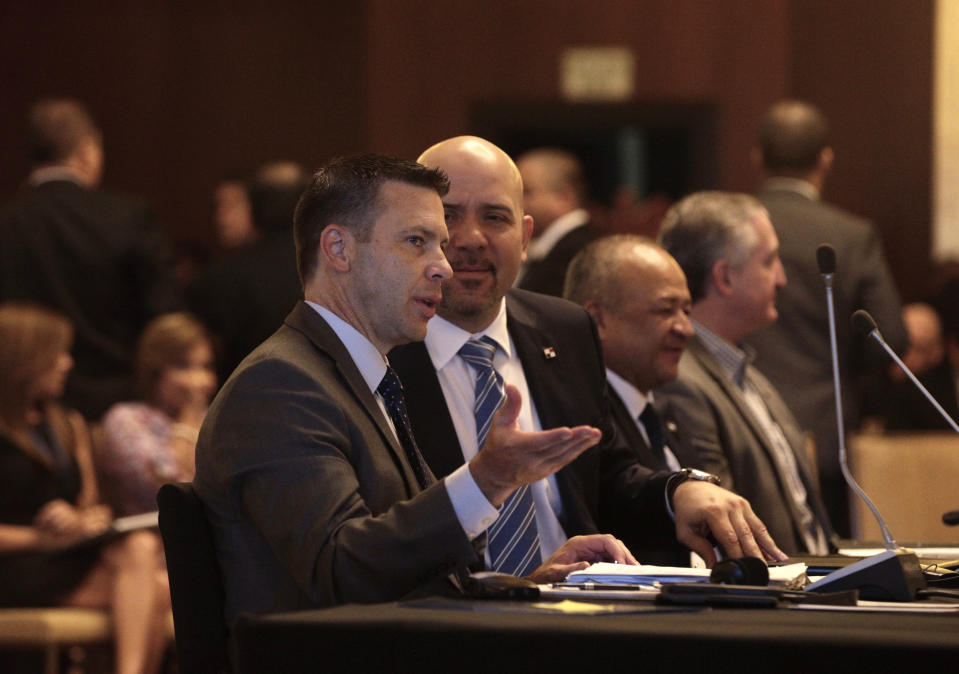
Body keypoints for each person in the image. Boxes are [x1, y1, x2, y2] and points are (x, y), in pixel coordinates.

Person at [193, 154, 635, 626]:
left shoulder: (363, 376)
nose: (443, 267)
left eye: (439, 246)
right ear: (339, 250)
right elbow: (343, 570)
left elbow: (408, 569)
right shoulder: (280, 386)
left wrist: (533, 583)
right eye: (417, 242)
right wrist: (486, 481)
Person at [389, 136, 787, 570]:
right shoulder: (382, 347)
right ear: (415, 233)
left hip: (582, 611)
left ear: (524, 238)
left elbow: (607, 476)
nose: (471, 239)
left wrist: (679, 491)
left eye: (494, 217)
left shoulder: (565, 329)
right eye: (449, 217)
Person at [744, 99, 906, 536]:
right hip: (825, 430)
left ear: (757, 157)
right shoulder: (852, 235)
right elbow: (888, 337)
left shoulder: (726, 226)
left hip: (733, 423)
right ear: (826, 159)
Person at [655, 191, 835, 556]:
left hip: (820, 573)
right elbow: (724, 531)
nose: (782, 278)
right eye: (769, 261)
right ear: (724, 278)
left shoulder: (747, 373)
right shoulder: (682, 382)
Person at [0, 303, 171, 674]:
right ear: (24, 358)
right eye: (57, 354)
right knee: (156, 590)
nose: (67, 363)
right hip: (14, 562)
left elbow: (92, 505)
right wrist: (38, 538)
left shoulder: (67, 423)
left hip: (65, 556)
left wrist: (83, 519)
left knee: (142, 547)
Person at [0, 98, 181, 420]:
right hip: (114, 404)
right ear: (86, 150)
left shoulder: (8, 219)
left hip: (20, 405)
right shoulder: (128, 216)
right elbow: (163, 312)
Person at [563, 235, 699, 565]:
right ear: (597, 320)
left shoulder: (665, 412)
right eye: (666, 310)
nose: (686, 329)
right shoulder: (576, 416)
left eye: (687, 311)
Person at [190, 161, 308, 381]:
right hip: (327, 405)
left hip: (245, 401)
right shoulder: (336, 271)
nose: (221, 217)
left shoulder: (220, 279)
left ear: (253, 210)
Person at [98, 313, 217, 516]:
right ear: (155, 370)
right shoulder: (126, 419)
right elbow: (169, 491)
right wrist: (188, 422)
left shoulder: (218, 420)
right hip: (151, 533)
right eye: (183, 366)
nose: (199, 379)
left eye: (205, 367)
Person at [514, 148, 597, 296]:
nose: (516, 201)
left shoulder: (580, 253)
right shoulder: (555, 247)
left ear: (565, 196)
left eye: (526, 192)